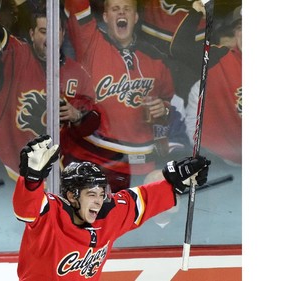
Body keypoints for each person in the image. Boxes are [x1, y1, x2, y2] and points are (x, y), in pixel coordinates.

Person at [13, 134, 210, 280]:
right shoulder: (51, 214)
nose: (99, 201)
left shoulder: (110, 213)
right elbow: (26, 209)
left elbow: (144, 199)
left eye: (101, 194)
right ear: (72, 196)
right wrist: (31, 180)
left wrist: (177, 181)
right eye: (91, 194)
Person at [0, 0, 99, 180]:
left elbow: (93, 124)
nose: (49, 37)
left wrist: (77, 115)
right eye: (43, 31)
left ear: (63, 34)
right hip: (5, 169)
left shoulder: (78, 74)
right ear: (32, 34)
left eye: (55, 31)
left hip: (50, 178)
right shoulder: (16, 54)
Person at [63, 0, 179, 191]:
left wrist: (162, 108)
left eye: (127, 9)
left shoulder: (155, 57)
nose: (121, 13)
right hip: (97, 162)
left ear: (135, 18)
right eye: (115, 9)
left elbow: (168, 101)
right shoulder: (90, 43)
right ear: (106, 17)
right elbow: (77, 4)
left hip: (142, 166)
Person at [176, 3, 242, 165]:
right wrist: (196, 12)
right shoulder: (220, 58)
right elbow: (179, 48)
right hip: (227, 164)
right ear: (235, 34)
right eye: (240, 27)